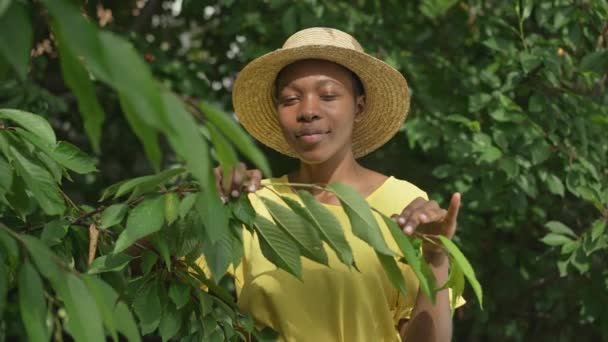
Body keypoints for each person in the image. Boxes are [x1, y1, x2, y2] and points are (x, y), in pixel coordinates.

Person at [210, 27, 463, 341]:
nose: (308, 111)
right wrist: (202, 207)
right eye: (290, 99)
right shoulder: (253, 204)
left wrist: (435, 258)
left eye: (328, 95)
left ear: (358, 107)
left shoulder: (404, 206)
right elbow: (151, 272)